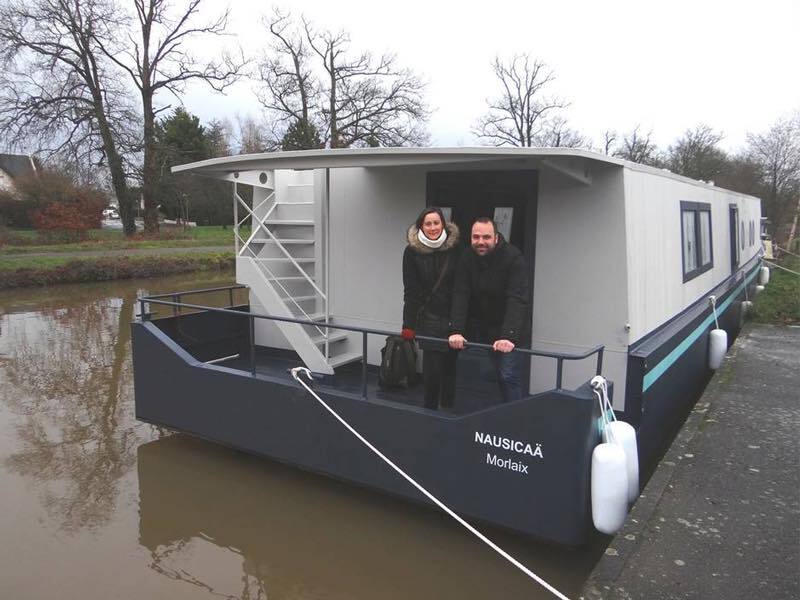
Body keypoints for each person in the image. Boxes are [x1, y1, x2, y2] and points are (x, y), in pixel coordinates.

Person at [448, 217, 529, 403]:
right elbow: (461, 293)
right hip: (485, 327)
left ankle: (515, 421)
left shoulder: (513, 257)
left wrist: (509, 336)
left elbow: (516, 299)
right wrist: (456, 330)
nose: (481, 242)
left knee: (508, 376)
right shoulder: (467, 257)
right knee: (489, 376)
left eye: (486, 237)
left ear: (496, 238)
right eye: (476, 237)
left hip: (512, 330)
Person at [402, 207, 462, 410]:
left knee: (450, 369)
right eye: (428, 223)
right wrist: (408, 325)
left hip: (453, 318)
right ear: (421, 226)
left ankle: (447, 408)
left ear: (443, 224)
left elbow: (461, 289)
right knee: (432, 371)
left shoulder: (455, 249)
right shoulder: (412, 252)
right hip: (428, 318)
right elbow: (411, 291)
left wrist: (459, 323)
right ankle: (430, 410)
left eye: (437, 223)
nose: (433, 227)